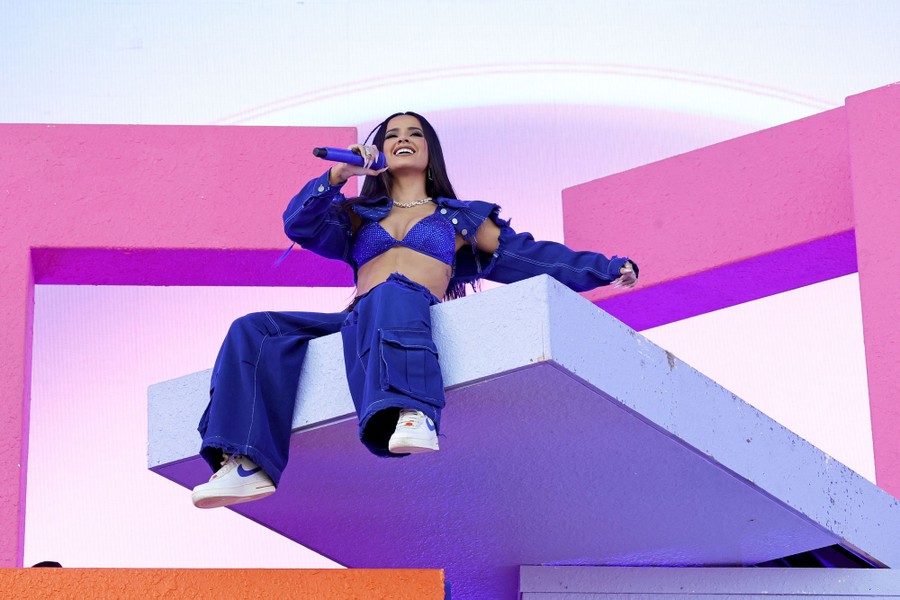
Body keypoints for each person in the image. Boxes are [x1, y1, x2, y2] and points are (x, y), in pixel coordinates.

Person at [191, 112, 638, 509]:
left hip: (413, 308)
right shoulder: (358, 215)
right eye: (392, 134)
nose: (403, 139)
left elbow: (531, 255)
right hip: (360, 317)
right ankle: (247, 462)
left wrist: (604, 269)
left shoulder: (460, 217)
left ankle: (415, 410)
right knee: (255, 329)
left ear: (430, 151)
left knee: (393, 291)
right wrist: (337, 176)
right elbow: (299, 224)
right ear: (379, 150)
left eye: (415, 134)